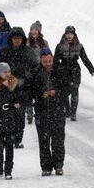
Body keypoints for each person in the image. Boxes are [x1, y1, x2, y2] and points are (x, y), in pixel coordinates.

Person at [32, 47, 70, 175]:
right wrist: (40, 94)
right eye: (45, 61)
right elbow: (30, 90)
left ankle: (58, 165)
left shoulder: (60, 71)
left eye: (49, 61)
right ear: (41, 61)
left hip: (57, 110)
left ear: (52, 59)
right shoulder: (36, 72)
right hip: (41, 110)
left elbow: (67, 89)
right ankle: (46, 167)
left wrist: (56, 92)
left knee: (58, 139)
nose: (48, 64)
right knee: (43, 141)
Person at [0, 27, 36, 148]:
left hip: (23, 87)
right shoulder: (4, 51)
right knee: (8, 114)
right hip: (7, 88)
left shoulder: (28, 52)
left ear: (22, 39)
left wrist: (29, 78)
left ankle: (18, 139)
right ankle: (8, 138)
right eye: (15, 38)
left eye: (19, 38)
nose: (17, 41)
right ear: (11, 39)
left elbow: (35, 67)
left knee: (19, 114)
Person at [0, 62, 23, 179]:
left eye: (8, 72)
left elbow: (18, 97)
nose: (7, 74)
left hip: (10, 119)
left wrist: (17, 104)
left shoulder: (13, 84)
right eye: (4, 72)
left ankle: (8, 170)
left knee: (9, 146)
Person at [54, 25, 94, 121]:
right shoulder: (60, 46)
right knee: (64, 93)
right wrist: (56, 70)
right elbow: (55, 60)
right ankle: (67, 110)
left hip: (75, 71)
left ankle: (73, 113)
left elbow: (84, 58)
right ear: (64, 34)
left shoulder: (79, 46)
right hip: (63, 71)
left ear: (74, 35)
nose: (69, 36)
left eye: (71, 34)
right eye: (67, 33)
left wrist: (91, 68)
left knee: (74, 92)